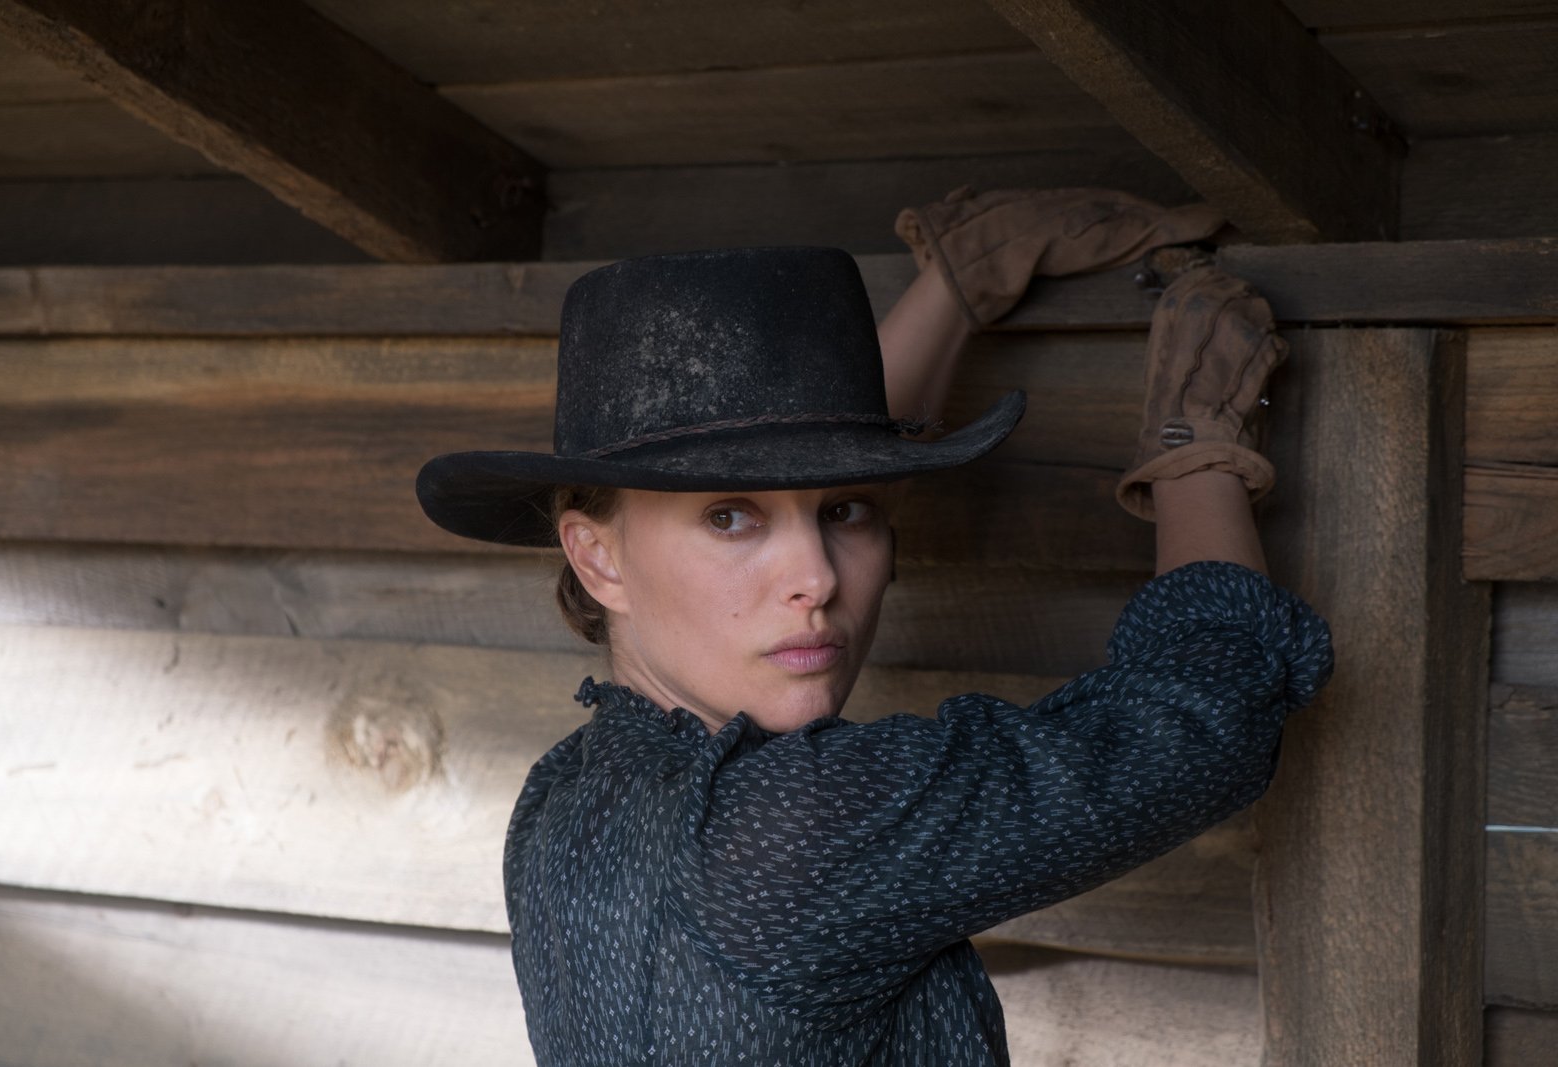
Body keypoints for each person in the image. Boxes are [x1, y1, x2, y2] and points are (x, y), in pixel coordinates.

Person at [414, 189, 1333, 1066]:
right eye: (729, 518)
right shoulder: (795, 830)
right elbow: (1207, 722)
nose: (814, 577)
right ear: (599, 559)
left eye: (847, 508)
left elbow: (795, 468)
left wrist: (955, 283)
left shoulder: (558, 801)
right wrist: (1194, 443)